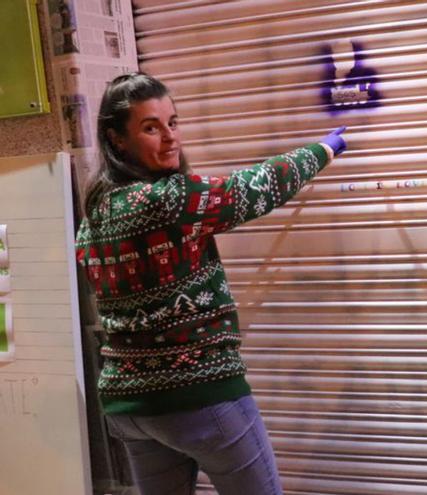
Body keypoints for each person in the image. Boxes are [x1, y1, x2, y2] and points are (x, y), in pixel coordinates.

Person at [75, 72, 348, 495]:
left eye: (173, 122)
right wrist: (324, 149)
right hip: (199, 394)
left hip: (128, 405)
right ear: (117, 140)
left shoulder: (94, 217)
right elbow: (255, 187)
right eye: (151, 127)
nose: (169, 137)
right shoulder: (167, 199)